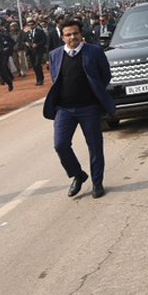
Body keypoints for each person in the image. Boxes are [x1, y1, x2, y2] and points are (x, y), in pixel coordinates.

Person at [44, 18, 115, 199]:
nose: (72, 37)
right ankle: (77, 174)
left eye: (75, 33)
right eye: (68, 34)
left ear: (81, 34)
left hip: (89, 108)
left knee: (95, 146)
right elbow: (55, 78)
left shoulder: (94, 52)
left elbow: (105, 76)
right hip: (64, 109)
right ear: (62, 37)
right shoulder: (55, 55)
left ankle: (97, 183)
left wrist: (95, 93)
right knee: (60, 145)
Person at [22, 19, 48, 86]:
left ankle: (41, 79)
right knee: (34, 66)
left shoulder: (40, 32)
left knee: (37, 64)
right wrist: (26, 43)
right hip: (31, 51)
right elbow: (23, 40)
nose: (31, 26)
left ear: (35, 25)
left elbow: (44, 40)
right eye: (29, 25)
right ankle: (38, 79)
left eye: (32, 25)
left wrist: (37, 44)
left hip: (38, 50)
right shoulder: (26, 33)